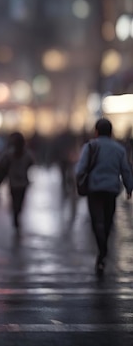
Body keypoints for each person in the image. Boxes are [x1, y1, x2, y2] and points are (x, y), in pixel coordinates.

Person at [74, 118, 133, 275]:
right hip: (111, 189)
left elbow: (80, 169)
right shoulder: (119, 149)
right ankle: (104, 247)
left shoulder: (91, 146)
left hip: (94, 189)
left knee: (96, 221)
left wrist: (78, 181)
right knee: (108, 220)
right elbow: (125, 170)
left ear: (96, 131)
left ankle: (102, 250)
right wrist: (129, 187)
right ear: (111, 132)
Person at [0, 132, 35, 232]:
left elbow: (2, 167)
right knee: (18, 200)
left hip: (15, 182)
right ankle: (16, 214)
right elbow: (32, 162)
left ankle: (15, 214)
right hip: (20, 182)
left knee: (16, 200)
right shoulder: (24, 154)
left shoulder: (10, 154)